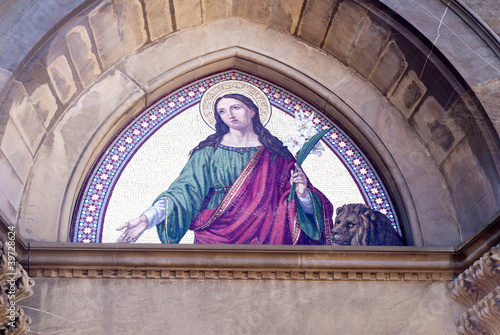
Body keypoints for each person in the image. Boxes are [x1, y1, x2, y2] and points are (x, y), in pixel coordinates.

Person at [116, 90, 334, 245]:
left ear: (252, 111)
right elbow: (183, 193)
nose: (229, 114)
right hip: (215, 232)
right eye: (222, 111)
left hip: (267, 234)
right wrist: (148, 218)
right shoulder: (208, 152)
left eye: (235, 107)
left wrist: (303, 195)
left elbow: (299, 205)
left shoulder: (277, 154)